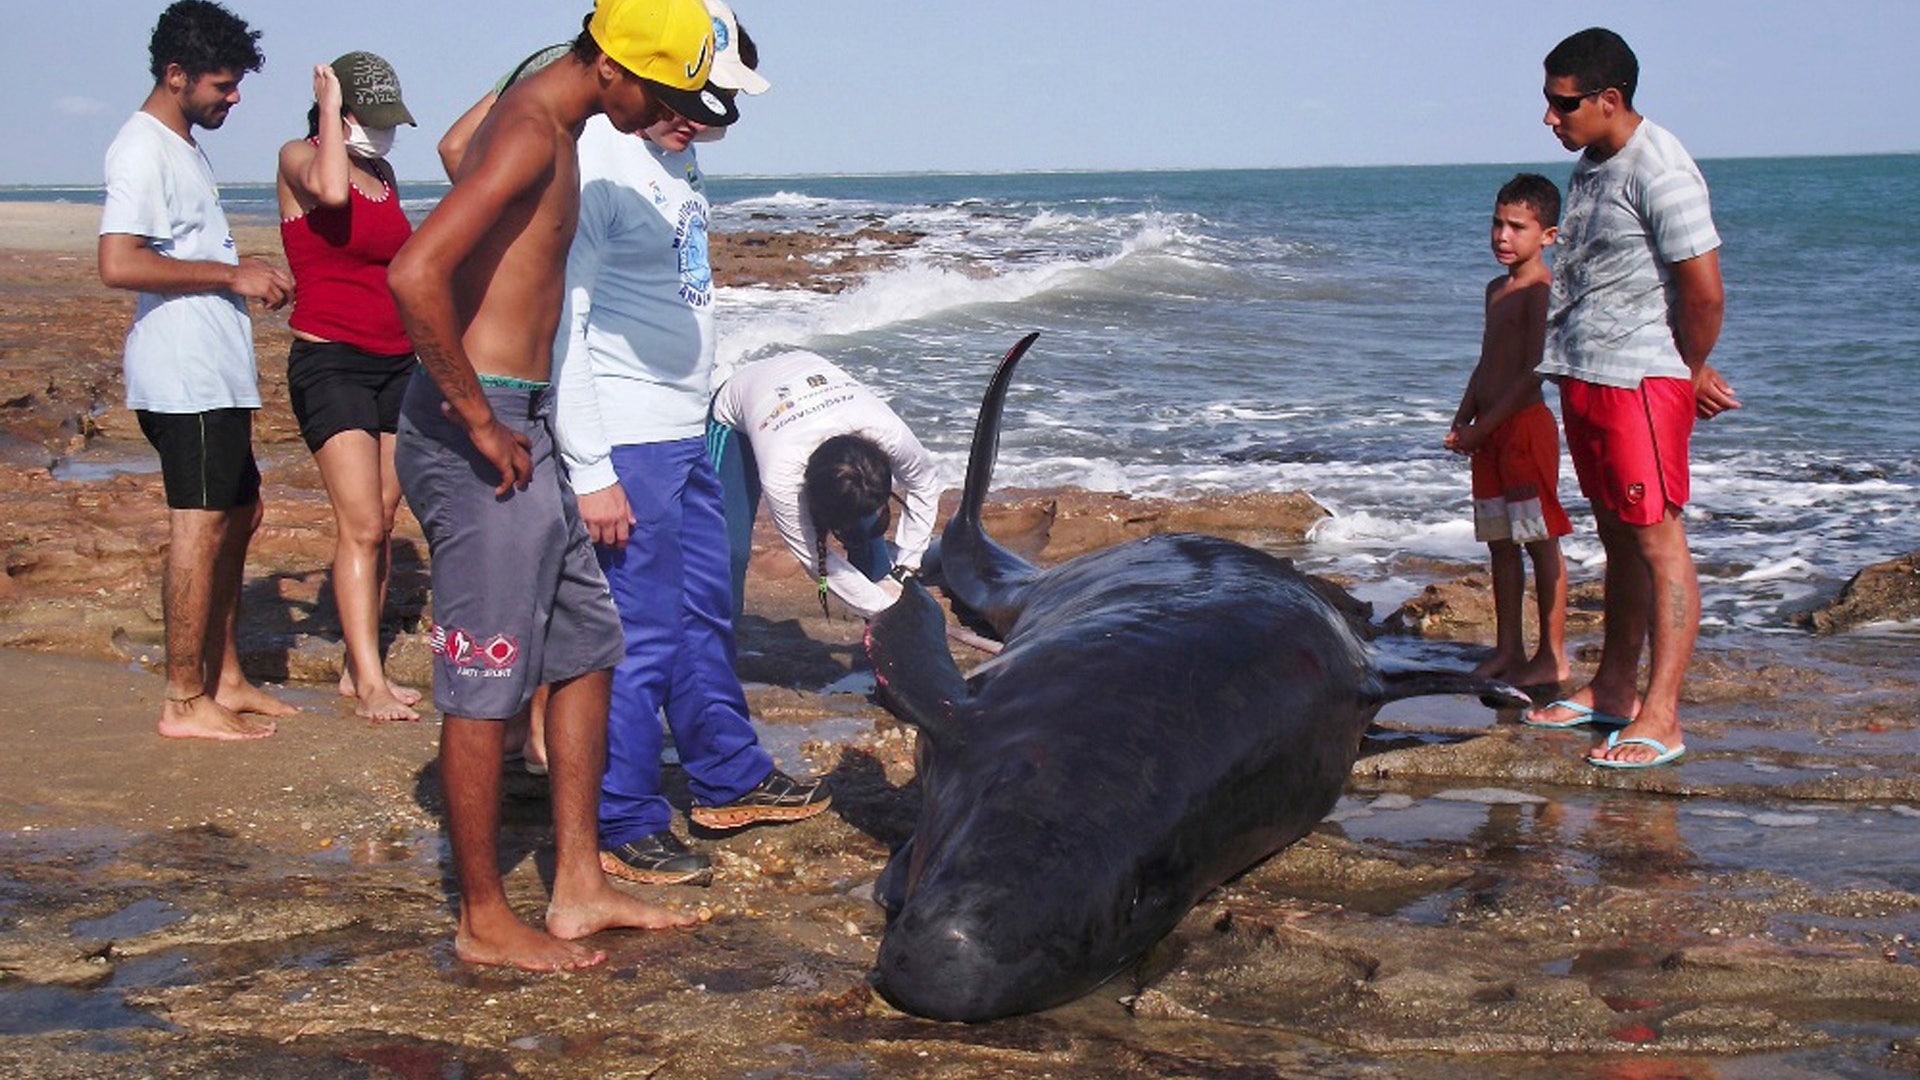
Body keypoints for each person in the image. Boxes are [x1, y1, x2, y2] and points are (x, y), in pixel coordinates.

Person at [384, 0, 735, 971]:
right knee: (486, 680)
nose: (668, 115)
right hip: (479, 425)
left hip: (526, 417)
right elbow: (415, 273)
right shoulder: (538, 127)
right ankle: (485, 918)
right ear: (614, 68)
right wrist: (476, 416)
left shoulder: (558, 118)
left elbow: (473, 179)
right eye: (662, 95)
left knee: (586, 646)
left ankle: (577, 884)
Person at [550, 4, 832, 889]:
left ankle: (728, 775)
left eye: (718, 107)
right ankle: (621, 816)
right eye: (697, 101)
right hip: (627, 438)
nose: (705, 121)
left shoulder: (676, 149)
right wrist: (591, 470)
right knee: (636, 636)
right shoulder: (601, 156)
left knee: (705, 614)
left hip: (688, 424)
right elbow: (565, 318)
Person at [1520, 28, 1739, 769]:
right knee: (1617, 535)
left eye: (1564, 103)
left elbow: (1702, 287)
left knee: (1657, 540)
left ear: (1610, 99)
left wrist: (1691, 365)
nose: (1552, 118)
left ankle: (1664, 715)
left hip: (1639, 384)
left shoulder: (1662, 168)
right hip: (1586, 376)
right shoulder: (1590, 167)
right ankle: (1613, 691)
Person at [98, 0, 298, 741]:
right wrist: (230, 274)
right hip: (182, 377)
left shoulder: (180, 144)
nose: (234, 96)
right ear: (176, 75)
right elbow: (117, 262)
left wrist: (245, 277)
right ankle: (184, 700)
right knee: (200, 524)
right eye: (223, 83)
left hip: (215, 371)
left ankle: (227, 678)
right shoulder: (142, 147)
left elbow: (181, 253)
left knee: (240, 513)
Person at [276, 52, 422, 722]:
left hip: (398, 361)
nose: (386, 133)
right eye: (376, 119)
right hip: (329, 360)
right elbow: (331, 196)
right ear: (342, 112)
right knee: (360, 524)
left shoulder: (383, 174)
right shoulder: (299, 158)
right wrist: (329, 109)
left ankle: (356, 668)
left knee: (384, 521)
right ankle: (368, 685)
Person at [1445, 173, 1572, 694]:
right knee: (1500, 543)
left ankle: (1553, 655)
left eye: (1517, 227)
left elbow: (1534, 372)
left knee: (1539, 541)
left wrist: (1487, 426)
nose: (1502, 236)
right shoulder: (1496, 290)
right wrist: (1463, 418)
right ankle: (1508, 648)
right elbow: (1487, 361)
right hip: (1489, 432)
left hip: (1522, 429)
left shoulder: (1541, 291)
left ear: (1548, 235)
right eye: (1497, 223)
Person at [709, 350, 941, 620]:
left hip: (807, 375)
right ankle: (718, 646)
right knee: (727, 551)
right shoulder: (782, 472)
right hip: (737, 413)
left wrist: (905, 569)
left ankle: (882, 636)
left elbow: (924, 484)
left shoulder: (889, 434)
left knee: (864, 528)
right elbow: (814, 559)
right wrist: (885, 608)